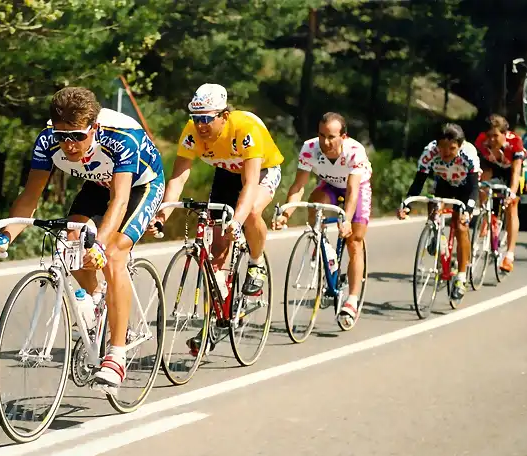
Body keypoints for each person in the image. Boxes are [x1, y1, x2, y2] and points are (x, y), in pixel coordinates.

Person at [0, 86, 165, 393]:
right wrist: (4, 237)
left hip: (138, 185)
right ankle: (97, 301)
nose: (68, 145)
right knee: (69, 242)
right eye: (61, 136)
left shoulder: (121, 138)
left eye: (77, 136)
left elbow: (120, 201)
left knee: (113, 254)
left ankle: (117, 355)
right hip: (96, 182)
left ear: (93, 128)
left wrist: (100, 245)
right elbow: (29, 198)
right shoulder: (46, 142)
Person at [149, 83, 283, 354]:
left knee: (251, 213)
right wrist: (163, 213)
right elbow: (179, 176)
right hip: (225, 174)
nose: (200, 125)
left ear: (223, 115)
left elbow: (249, 184)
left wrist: (237, 220)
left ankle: (256, 265)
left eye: (206, 118)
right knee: (217, 252)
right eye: (195, 118)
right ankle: (217, 320)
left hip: (260, 171)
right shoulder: (192, 132)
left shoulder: (245, 129)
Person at [273, 112, 371, 327]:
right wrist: (286, 213)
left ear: (343, 137)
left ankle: (352, 300)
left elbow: (353, 191)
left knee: (354, 241)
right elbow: (298, 186)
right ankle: (325, 249)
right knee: (314, 202)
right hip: (330, 187)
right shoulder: (310, 148)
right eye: (321, 135)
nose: (325, 142)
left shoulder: (354, 151)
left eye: (331, 137)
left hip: (357, 188)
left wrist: (345, 219)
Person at [397, 123, 480, 302]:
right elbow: (418, 183)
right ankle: (437, 234)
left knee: (461, 226)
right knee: (433, 204)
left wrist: (469, 210)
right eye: (442, 147)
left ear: (460, 145)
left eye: (452, 148)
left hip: (464, 189)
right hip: (443, 184)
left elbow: (474, 187)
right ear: (436, 145)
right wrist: (407, 205)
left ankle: (461, 277)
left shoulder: (469, 154)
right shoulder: (429, 153)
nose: (446, 152)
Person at [474, 114, 527, 273]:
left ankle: (509, 255)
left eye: (495, 136)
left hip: (511, 170)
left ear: (505, 134)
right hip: (493, 167)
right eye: (489, 136)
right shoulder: (481, 141)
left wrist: (512, 192)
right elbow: (480, 166)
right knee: (483, 183)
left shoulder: (515, 142)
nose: (491, 140)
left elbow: (516, 171)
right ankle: (487, 216)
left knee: (512, 206)